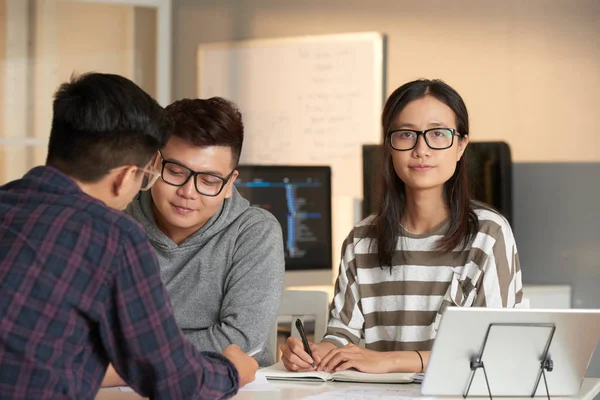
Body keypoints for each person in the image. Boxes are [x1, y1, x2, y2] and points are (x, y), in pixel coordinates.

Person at [0, 73, 257, 400]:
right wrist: (229, 370)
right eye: (158, 173)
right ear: (125, 177)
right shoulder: (114, 236)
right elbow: (173, 381)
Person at [281, 78, 523, 374]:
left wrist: (391, 360)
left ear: (460, 146)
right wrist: (318, 352)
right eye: (407, 135)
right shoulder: (361, 239)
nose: (421, 149)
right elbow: (342, 335)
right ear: (390, 147)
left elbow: (495, 348)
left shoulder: (489, 234)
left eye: (437, 134)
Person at [102, 97, 285, 386]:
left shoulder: (254, 231)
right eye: (175, 171)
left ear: (230, 184)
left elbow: (239, 341)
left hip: (227, 389)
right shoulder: (114, 226)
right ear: (153, 162)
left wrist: (128, 356)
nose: (188, 192)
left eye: (210, 181)